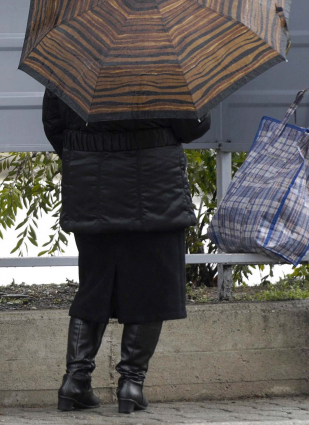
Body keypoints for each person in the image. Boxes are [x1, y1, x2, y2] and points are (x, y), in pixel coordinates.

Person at [42, 88, 210, 414]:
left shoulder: (75, 55)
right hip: (156, 189)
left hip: (91, 186)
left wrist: (88, 154)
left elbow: (54, 125)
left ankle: (75, 381)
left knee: (95, 285)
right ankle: (131, 385)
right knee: (153, 287)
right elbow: (192, 127)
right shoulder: (163, 61)